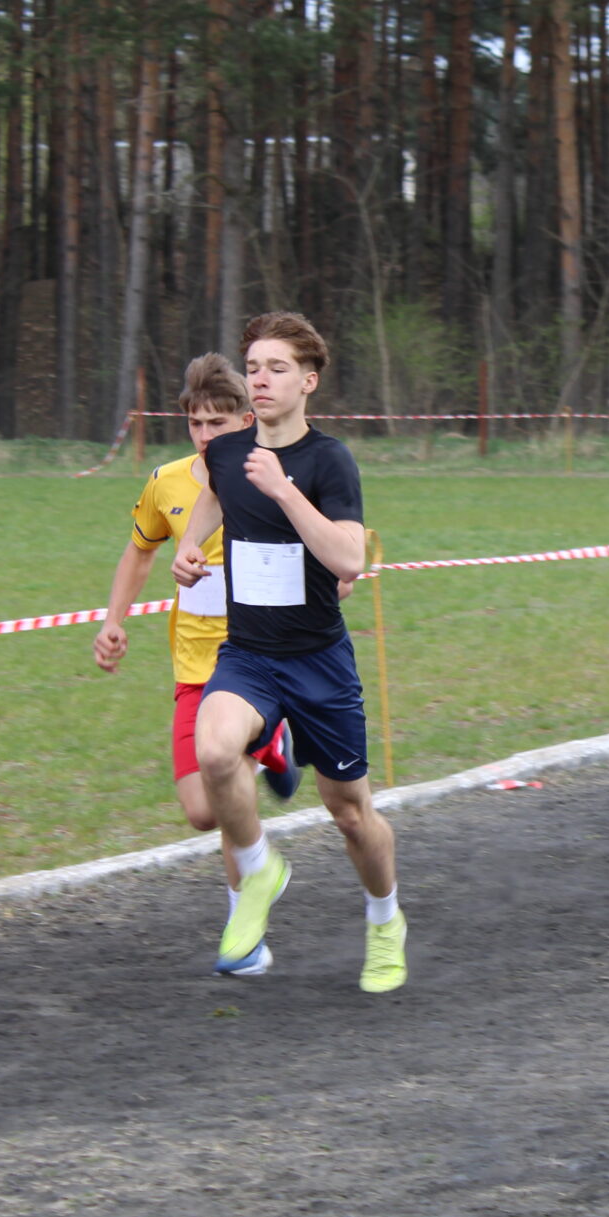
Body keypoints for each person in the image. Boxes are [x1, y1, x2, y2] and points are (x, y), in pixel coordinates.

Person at [173, 312, 406, 992]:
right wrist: (189, 547)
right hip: (249, 654)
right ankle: (258, 869)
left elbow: (349, 559)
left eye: (277, 368)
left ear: (308, 381)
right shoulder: (226, 452)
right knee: (215, 750)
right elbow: (214, 496)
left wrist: (283, 490)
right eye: (253, 367)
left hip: (318, 660)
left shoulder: (329, 461)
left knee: (350, 813)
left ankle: (384, 919)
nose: (261, 379)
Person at [94, 356, 301, 861]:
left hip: (258, 659)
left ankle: (249, 912)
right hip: (193, 661)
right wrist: (113, 621)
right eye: (195, 423)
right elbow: (140, 552)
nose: (204, 435)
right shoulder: (165, 482)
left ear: (246, 420)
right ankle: (271, 747)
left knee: (227, 787)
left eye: (217, 423)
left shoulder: (273, 477)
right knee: (202, 812)